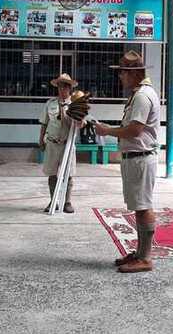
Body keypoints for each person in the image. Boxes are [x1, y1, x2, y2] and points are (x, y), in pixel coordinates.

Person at [94, 51, 160, 274]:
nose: (120, 76)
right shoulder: (140, 94)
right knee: (139, 206)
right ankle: (140, 254)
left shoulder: (142, 96)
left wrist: (107, 131)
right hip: (136, 158)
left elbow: (135, 130)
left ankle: (145, 258)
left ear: (133, 74)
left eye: (122, 72)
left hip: (141, 158)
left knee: (143, 206)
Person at [38, 73, 79, 214]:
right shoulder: (50, 104)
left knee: (68, 173)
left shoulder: (75, 104)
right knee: (52, 173)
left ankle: (67, 202)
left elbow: (81, 123)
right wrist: (40, 139)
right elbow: (44, 123)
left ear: (69, 88)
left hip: (67, 144)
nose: (62, 90)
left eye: (65, 87)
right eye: (60, 87)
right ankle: (53, 200)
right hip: (52, 142)